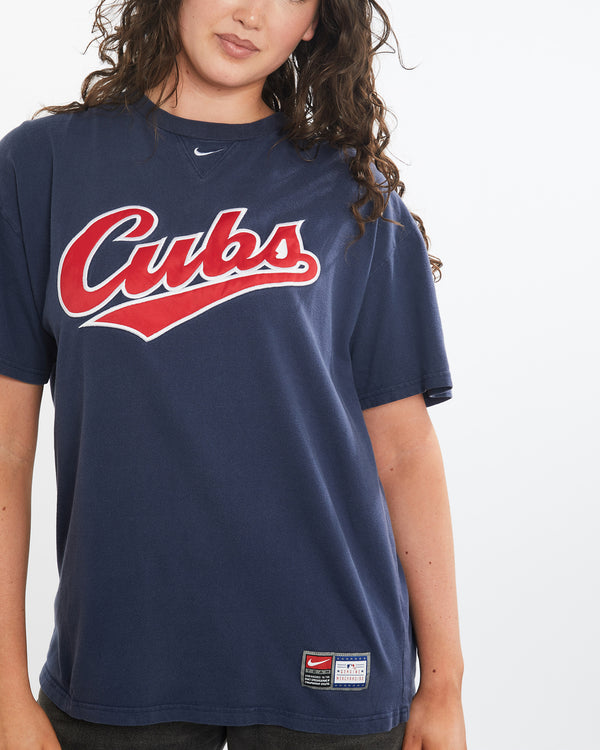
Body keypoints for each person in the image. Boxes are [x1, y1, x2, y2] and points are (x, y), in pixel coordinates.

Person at [0, 0, 467, 748]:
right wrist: (4, 697)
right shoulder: (43, 166)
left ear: (314, 22)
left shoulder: (354, 194)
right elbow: (6, 451)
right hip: (121, 666)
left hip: (332, 658)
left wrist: (443, 684)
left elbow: (404, 452)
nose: (250, 13)